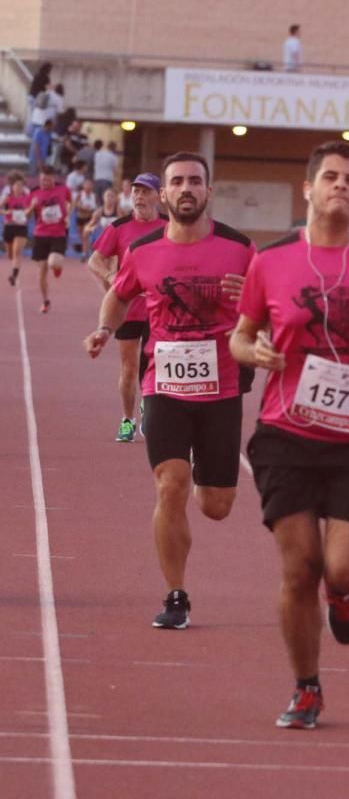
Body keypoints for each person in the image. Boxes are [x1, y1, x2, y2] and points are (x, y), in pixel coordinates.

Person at [231, 140, 349, 730]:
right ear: (308, 189)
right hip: (285, 431)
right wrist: (253, 351)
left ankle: (343, 597)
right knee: (298, 568)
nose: (341, 186)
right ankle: (306, 687)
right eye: (331, 177)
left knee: (346, 570)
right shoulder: (270, 262)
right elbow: (239, 336)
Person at [81, 152, 254, 630]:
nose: (185, 189)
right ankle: (175, 594)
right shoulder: (145, 250)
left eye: (194, 181)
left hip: (221, 389)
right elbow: (119, 295)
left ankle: (204, 473)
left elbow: (270, 306)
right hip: (166, 386)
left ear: (208, 191)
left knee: (216, 506)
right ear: (165, 193)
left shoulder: (240, 248)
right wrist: (102, 327)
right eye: (176, 181)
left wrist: (252, 303)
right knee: (169, 485)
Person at [87, 173, 167, 443]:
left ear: (159, 196)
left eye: (145, 192)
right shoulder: (119, 227)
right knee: (129, 368)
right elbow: (94, 260)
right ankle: (127, 419)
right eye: (135, 191)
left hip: (161, 310)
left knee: (156, 367)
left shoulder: (171, 226)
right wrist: (112, 278)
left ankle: (150, 407)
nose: (139, 197)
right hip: (129, 308)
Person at [27, 167, 72, 313]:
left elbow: (70, 203)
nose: (44, 182)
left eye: (47, 180)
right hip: (40, 235)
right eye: (42, 180)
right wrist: (32, 207)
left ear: (54, 178)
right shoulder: (34, 192)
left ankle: (57, 268)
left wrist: (67, 216)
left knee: (53, 262)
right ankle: (46, 301)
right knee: (41, 273)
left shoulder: (63, 189)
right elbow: (26, 215)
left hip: (58, 234)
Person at [3, 173, 31, 287]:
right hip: (9, 226)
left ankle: (14, 275)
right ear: (12, 186)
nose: (19, 188)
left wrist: (28, 212)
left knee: (17, 252)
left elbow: (31, 211)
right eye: (16, 185)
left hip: (21, 227)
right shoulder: (8, 196)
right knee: (10, 254)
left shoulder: (27, 196)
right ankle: (14, 266)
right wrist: (6, 212)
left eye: (21, 186)